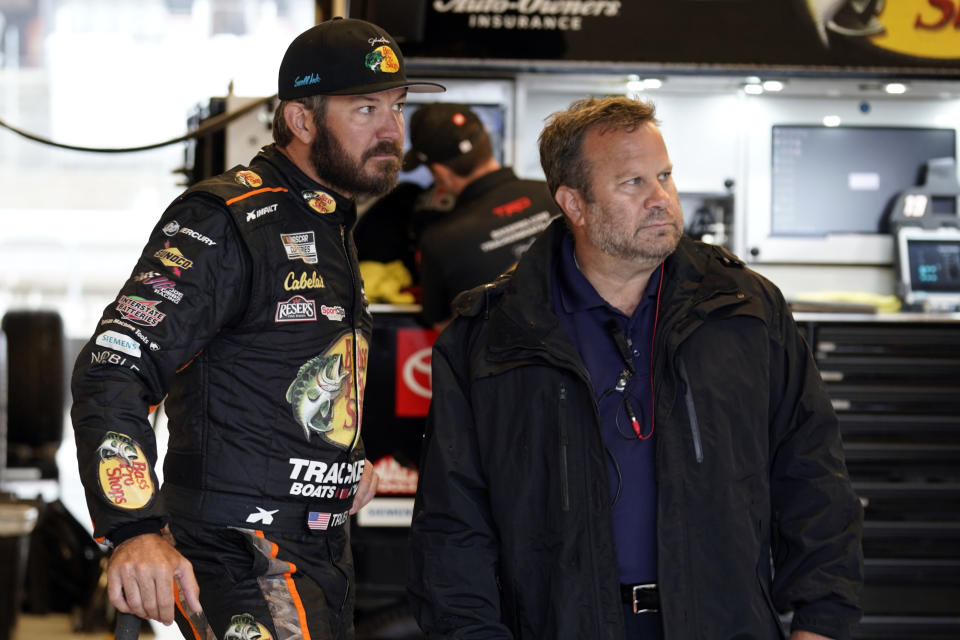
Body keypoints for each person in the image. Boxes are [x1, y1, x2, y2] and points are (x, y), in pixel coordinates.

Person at [408, 96, 863, 640]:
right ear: (573, 203)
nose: (662, 199)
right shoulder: (493, 335)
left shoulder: (743, 310)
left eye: (665, 176)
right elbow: (453, 522)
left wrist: (823, 620)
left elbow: (812, 471)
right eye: (632, 183)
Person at [70, 17, 443, 640]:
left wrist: (339, 460)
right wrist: (135, 531)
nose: (391, 130)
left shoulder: (328, 219)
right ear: (301, 121)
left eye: (397, 107)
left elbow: (274, 374)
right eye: (366, 109)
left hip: (318, 551)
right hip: (239, 554)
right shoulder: (226, 219)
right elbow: (113, 368)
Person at [402, 102, 561, 331]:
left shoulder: (439, 241)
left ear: (440, 172)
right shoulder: (557, 193)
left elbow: (442, 325)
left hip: (506, 363)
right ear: (486, 139)